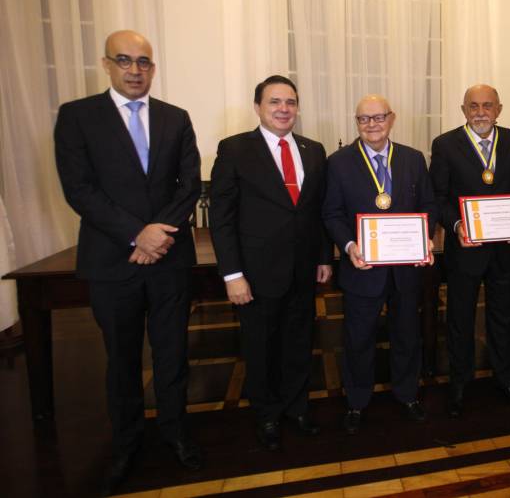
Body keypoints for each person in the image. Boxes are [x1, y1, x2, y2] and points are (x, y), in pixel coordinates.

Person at [54, 30, 202, 494]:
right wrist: (136, 234)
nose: (135, 70)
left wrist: (157, 233)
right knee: (121, 360)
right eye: (125, 60)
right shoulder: (78, 117)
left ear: (153, 68)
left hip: (170, 259)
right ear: (107, 64)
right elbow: (79, 189)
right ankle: (126, 444)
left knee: (173, 354)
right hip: (112, 260)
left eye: (143, 62)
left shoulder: (176, 118)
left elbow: (189, 186)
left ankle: (176, 435)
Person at [209, 75, 332, 450]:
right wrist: (233, 274)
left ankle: (297, 408)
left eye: (290, 102)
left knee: (299, 343)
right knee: (261, 348)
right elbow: (222, 217)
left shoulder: (314, 150)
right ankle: (266, 415)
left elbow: (317, 211)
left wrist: (324, 256)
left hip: (303, 269)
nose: (284, 109)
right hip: (256, 273)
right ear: (258, 107)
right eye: (275, 102)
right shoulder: (234, 149)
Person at [323, 94, 436, 434]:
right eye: (363, 119)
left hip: (405, 270)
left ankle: (407, 394)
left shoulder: (413, 159)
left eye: (378, 117)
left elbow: (428, 205)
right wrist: (349, 245)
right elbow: (331, 213)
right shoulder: (339, 162)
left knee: (407, 335)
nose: (371, 124)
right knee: (358, 338)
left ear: (392, 118)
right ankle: (357, 402)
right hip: (362, 268)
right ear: (356, 122)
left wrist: (425, 237)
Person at [429, 84, 510, 418]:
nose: (481, 112)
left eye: (488, 105)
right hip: (465, 250)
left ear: (499, 109)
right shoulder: (445, 145)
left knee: (503, 316)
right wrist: (458, 226)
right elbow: (439, 198)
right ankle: (459, 381)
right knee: (460, 318)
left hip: (504, 249)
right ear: (463, 109)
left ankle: (506, 377)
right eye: (474, 106)